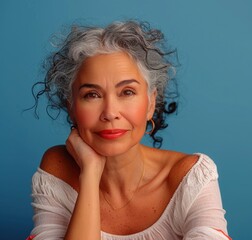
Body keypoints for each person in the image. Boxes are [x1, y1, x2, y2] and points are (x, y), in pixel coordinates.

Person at [27, 20, 231, 240]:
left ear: (151, 103)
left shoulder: (190, 178)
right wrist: (89, 175)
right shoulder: (58, 169)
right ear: (72, 107)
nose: (110, 112)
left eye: (127, 92)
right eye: (92, 95)